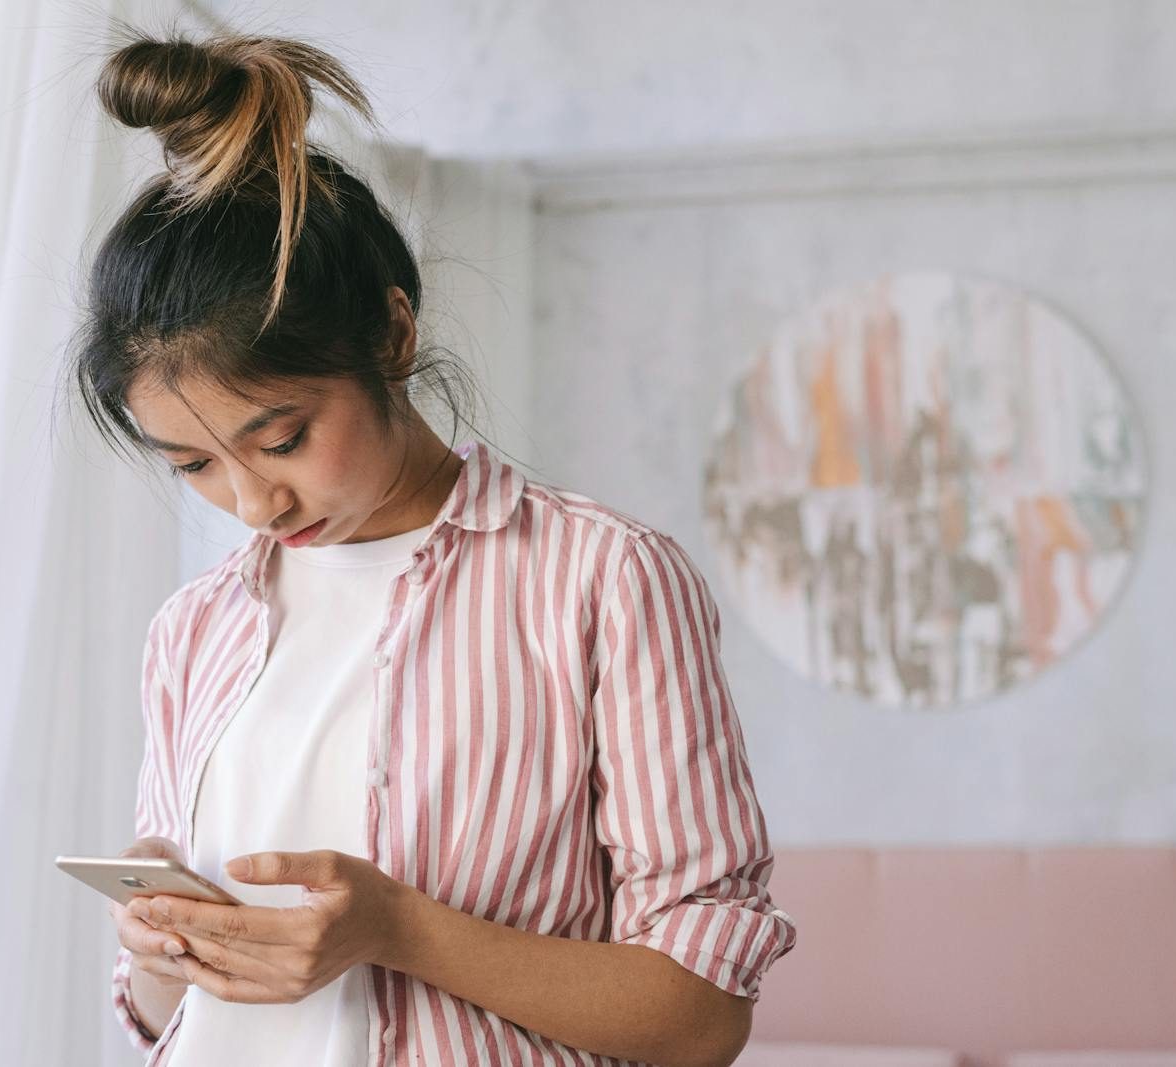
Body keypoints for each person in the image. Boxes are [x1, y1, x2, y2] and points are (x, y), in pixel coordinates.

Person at [66, 28, 796, 1067]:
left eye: (282, 437)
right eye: (193, 465)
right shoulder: (195, 628)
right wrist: (161, 944)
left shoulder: (600, 577)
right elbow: (151, 1013)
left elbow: (699, 1014)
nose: (251, 500)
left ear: (392, 335)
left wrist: (396, 927)